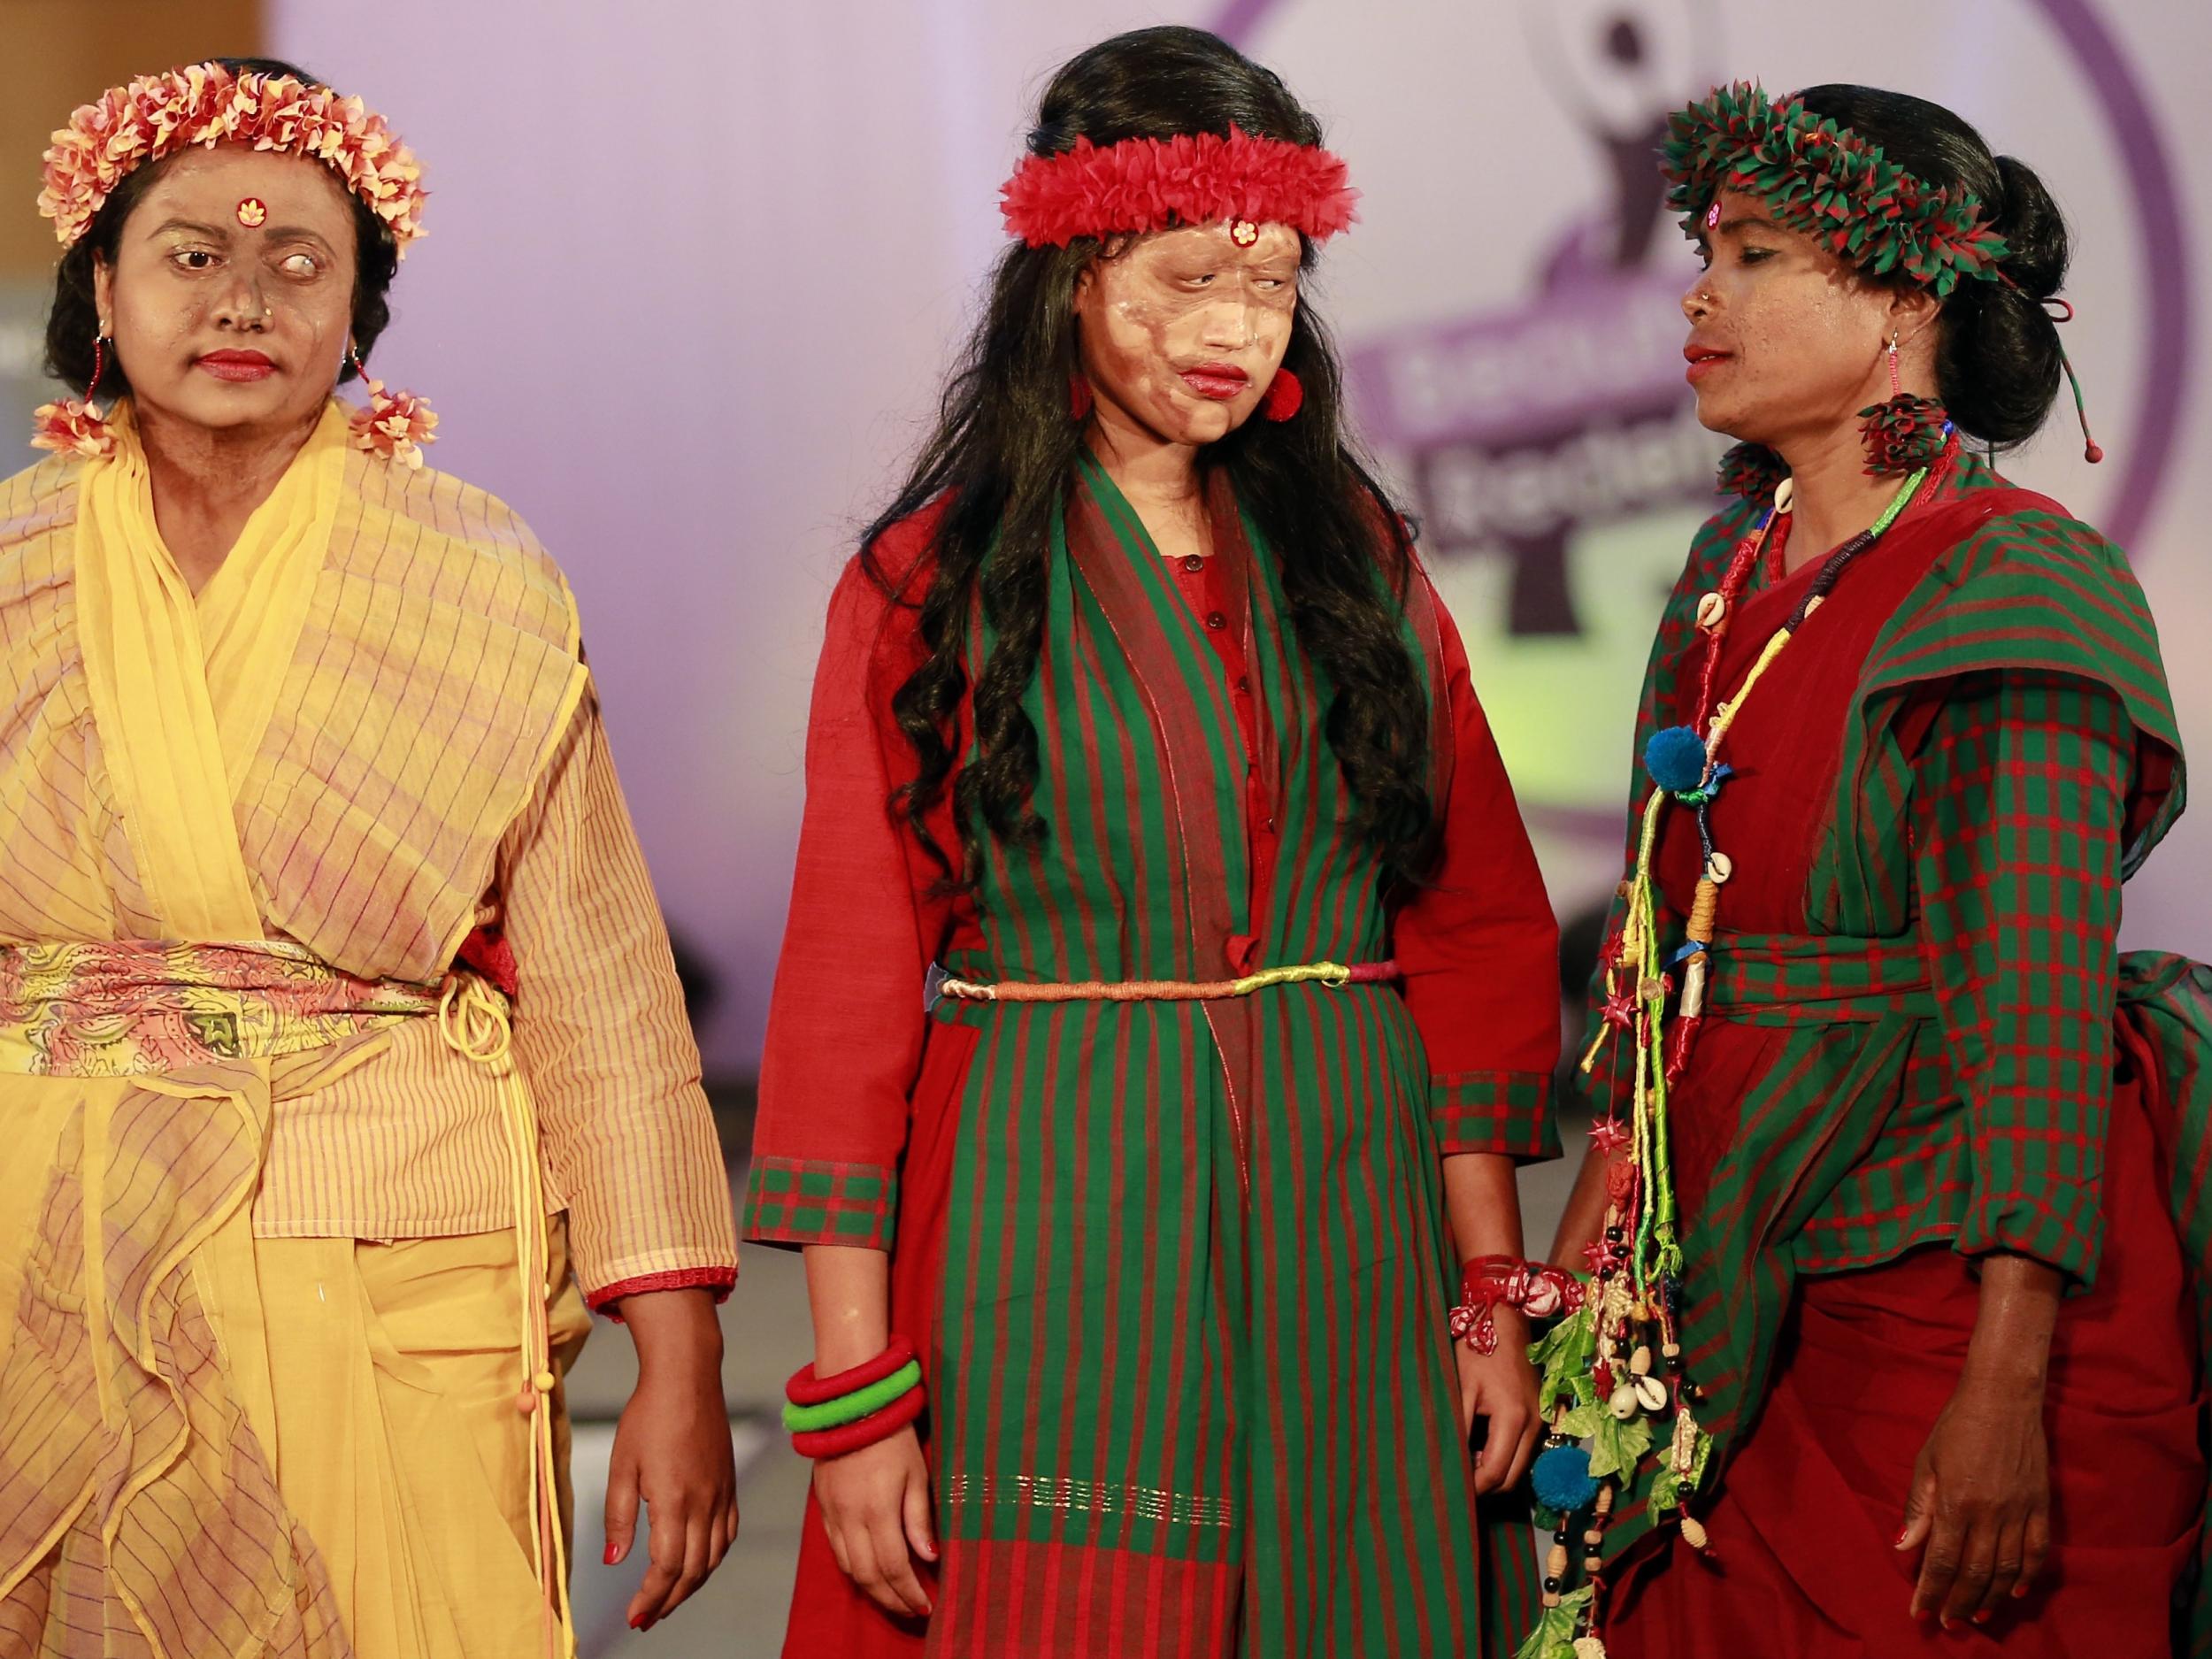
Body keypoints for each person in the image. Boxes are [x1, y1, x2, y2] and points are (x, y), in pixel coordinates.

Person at [747, 24, 1563, 1659]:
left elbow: (1466, 925)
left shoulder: (1357, 568)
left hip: (1354, 1217)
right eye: (1185, 275)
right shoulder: (937, 582)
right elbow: (853, 984)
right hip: (1051, 1205)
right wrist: (851, 1392)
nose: (1232, 331)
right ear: (1065, 270)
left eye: (1270, 285)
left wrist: (1490, 1291)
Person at [0, 58, 740, 1657]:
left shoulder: (476, 579)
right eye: (192, 253)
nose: (242, 297)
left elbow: (604, 991)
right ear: (102, 290)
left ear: (359, 310)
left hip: (391, 1224)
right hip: (49, 1248)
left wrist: (676, 1360)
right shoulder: (9, 570)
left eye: (298, 261)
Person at [1535, 82, 2209, 1658]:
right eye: (1708, 250)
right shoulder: (1725, 569)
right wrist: (1584, 1263)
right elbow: (1654, 945)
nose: (1700, 293)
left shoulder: (2014, 581)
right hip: (1714, 1265)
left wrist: (2001, 1392)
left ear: (1906, 297)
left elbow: (2034, 1015)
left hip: (1938, 1289)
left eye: (1758, 255)